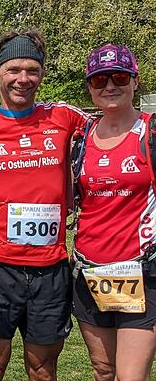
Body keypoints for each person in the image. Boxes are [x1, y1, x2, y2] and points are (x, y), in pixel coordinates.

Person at [0, 30, 89, 381]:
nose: (23, 79)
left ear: (43, 74)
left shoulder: (63, 117)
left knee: (43, 368)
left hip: (51, 267)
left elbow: (111, 129)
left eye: (32, 70)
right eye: (13, 69)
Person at [71, 44, 156, 381]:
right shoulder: (81, 137)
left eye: (119, 77)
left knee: (130, 376)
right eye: (99, 80)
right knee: (104, 370)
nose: (109, 86)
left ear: (135, 81)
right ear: (90, 87)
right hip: (90, 272)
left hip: (142, 273)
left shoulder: (151, 132)